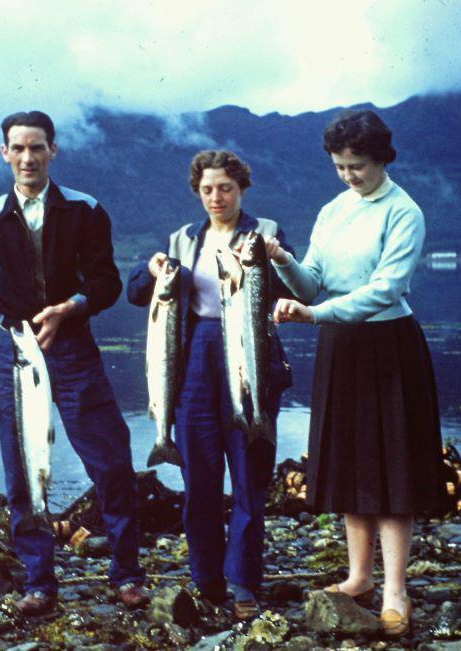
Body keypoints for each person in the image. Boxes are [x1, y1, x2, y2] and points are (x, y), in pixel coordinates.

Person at [0, 111, 149, 616]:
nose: (27, 158)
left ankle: (127, 574)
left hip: (74, 350)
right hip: (13, 354)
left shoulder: (86, 211)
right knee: (23, 470)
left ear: (53, 151)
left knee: (110, 460)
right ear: (4, 153)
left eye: (37, 148)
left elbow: (105, 283)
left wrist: (70, 309)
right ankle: (39, 582)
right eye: (17, 148)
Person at [267, 110, 447, 637]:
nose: (349, 175)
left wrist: (316, 314)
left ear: (383, 158)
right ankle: (358, 577)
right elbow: (311, 282)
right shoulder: (333, 211)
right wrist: (281, 261)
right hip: (341, 346)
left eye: (358, 166)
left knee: (392, 468)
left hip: (389, 344)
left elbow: (386, 289)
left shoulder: (404, 211)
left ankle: (395, 590)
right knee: (348, 460)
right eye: (341, 166)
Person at [127, 150, 294, 619]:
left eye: (225, 188)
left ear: (242, 189)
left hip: (251, 356)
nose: (216, 198)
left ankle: (244, 583)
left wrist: (271, 259)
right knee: (199, 480)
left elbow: (291, 285)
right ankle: (207, 579)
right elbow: (138, 292)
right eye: (207, 190)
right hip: (192, 362)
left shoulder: (267, 233)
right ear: (197, 192)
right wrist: (151, 268)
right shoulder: (182, 239)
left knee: (249, 477)